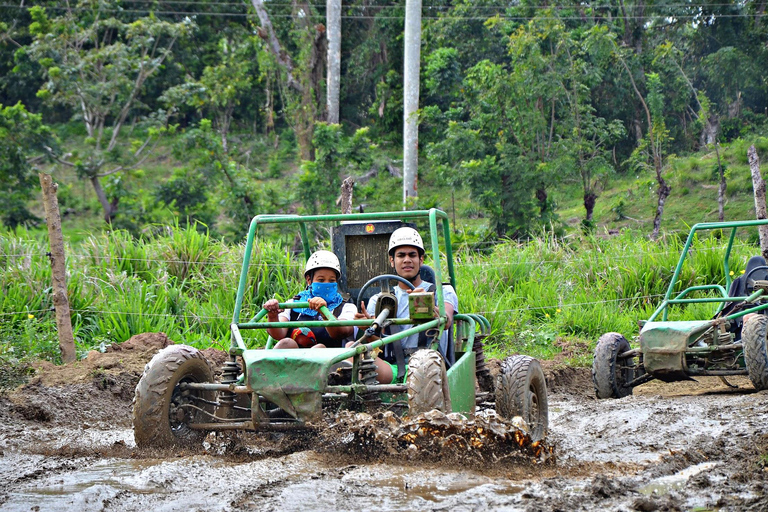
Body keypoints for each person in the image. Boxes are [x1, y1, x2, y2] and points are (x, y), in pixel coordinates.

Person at [354, 227, 459, 383]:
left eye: (412, 255)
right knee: (353, 349)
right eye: (401, 255)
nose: (407, 260)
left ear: (421, 259)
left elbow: (447, 320)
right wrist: (368, 329)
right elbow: (377, 345)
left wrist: (427, 304)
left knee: (424, 367)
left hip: (430, 366)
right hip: (394, 368)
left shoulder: (442, 291)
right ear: (392, 261)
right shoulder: (380, 299)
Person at [263, 250, 357, 348]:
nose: (326, 284)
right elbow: (278, 334)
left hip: (329, 360)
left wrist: (325, 314)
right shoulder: (293, 304)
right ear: (309, 280)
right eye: (321, 280)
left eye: (331, 280)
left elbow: (341, 332)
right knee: (286, 343)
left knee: (319, 348)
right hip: (295, 360)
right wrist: (272, 316)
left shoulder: (345, 307)